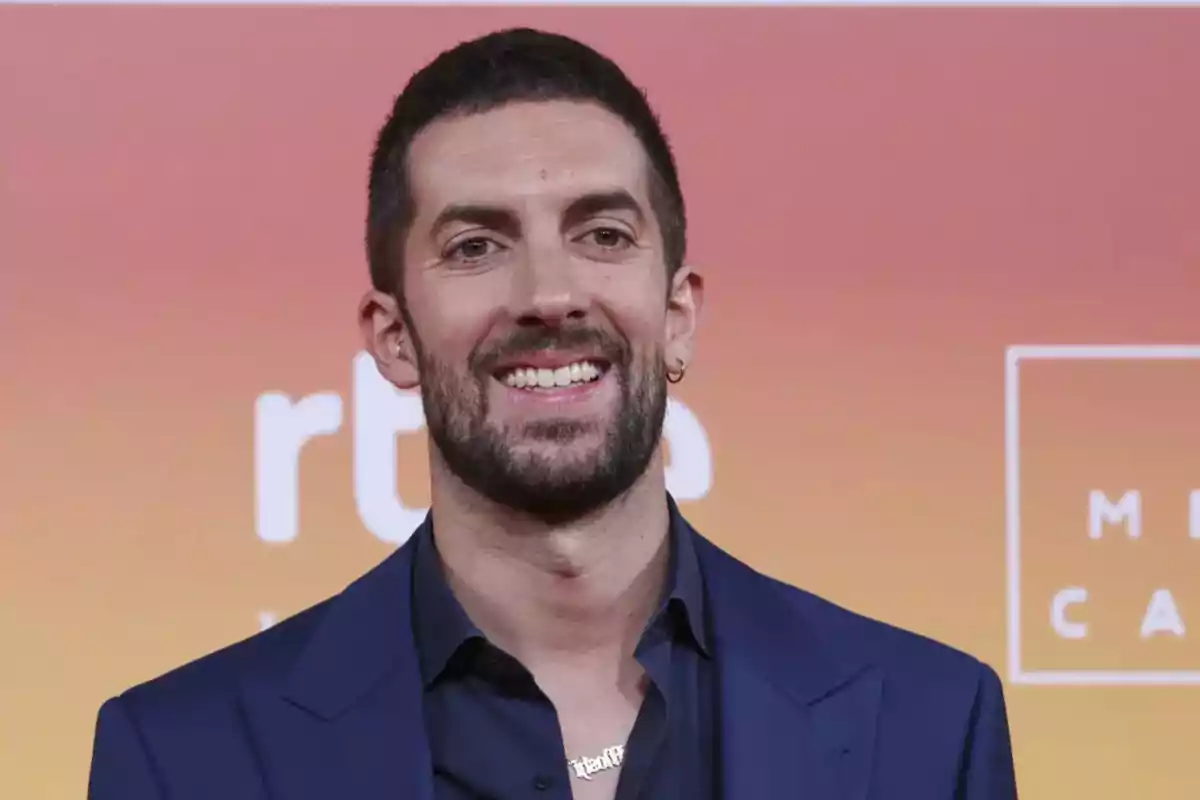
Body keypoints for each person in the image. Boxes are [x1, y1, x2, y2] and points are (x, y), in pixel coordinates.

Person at [88, 27, 1017, 800]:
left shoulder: (928, 727)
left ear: (679, 314)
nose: (549, 294)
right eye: (477, 244)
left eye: (603, 235)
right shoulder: (184, 758)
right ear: (393, 337)